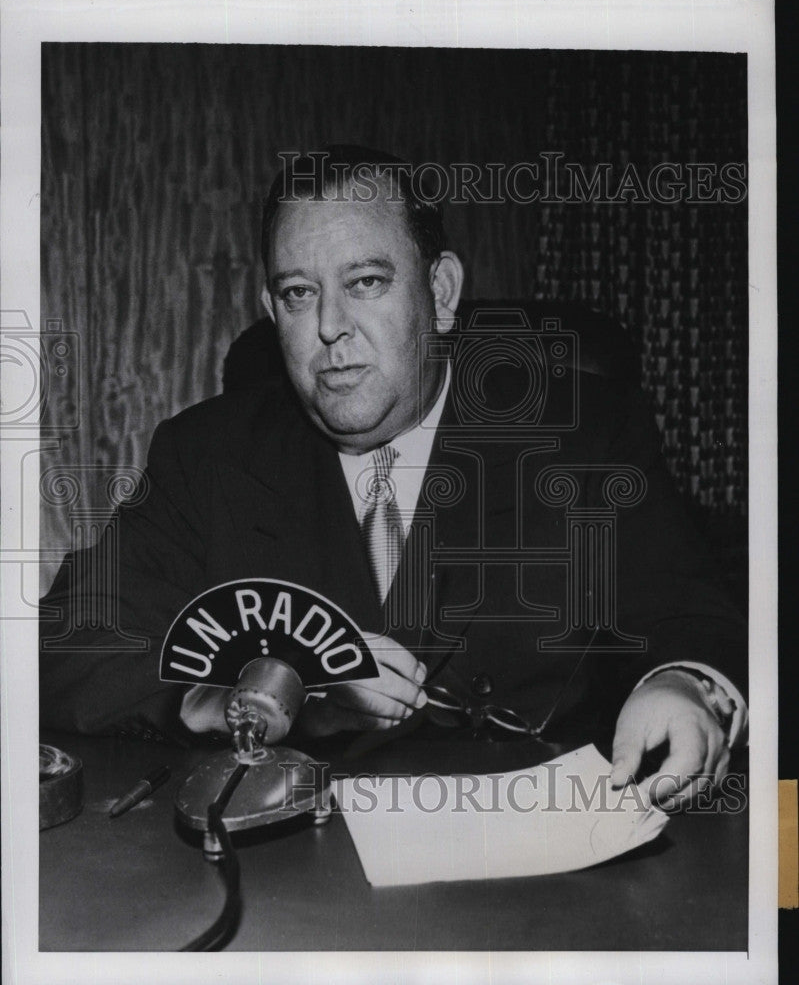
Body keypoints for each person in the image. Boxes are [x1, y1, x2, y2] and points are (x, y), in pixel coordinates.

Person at [40, 145, 747, 811]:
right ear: (270, 310)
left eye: (366, 283)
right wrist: (243, 693)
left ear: (440, 293)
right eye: (297, 293)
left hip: (526, 865)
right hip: (290, 867)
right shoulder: (206, 454)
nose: (329, 328)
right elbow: (65, 641)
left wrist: (681, 684)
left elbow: (685, 614)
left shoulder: (583, 432)